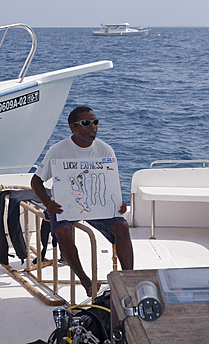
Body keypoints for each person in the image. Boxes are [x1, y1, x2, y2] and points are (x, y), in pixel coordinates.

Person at [31, 106, 134, 296]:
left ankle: (129, 279)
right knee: (62, 231)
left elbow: (112, 180)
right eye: (86, 123)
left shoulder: (105, 149)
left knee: (122, 227)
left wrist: (119, 200)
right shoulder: (58, 150)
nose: (93, 127)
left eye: (95, 122)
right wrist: (48, 204)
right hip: (66, 205)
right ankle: (85, 281)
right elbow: (36, 180)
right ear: (73, 127)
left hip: (98, 204)